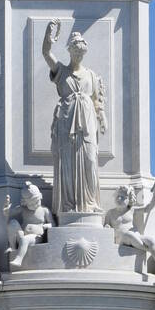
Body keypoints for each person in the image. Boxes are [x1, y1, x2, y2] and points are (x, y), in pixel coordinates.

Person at [42, 21, 106, 219]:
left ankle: (89, 202)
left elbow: (97, 101)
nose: (78, 55)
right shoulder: (61, 71)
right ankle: (69, 204)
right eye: (75, 52)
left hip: (87, 121)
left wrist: (102, 116)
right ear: (70, 51)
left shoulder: (92, 76)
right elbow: (46, 53)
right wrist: (48, 39)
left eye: (81, 53)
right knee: (68, 162)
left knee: (89, 158)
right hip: (67, 119)